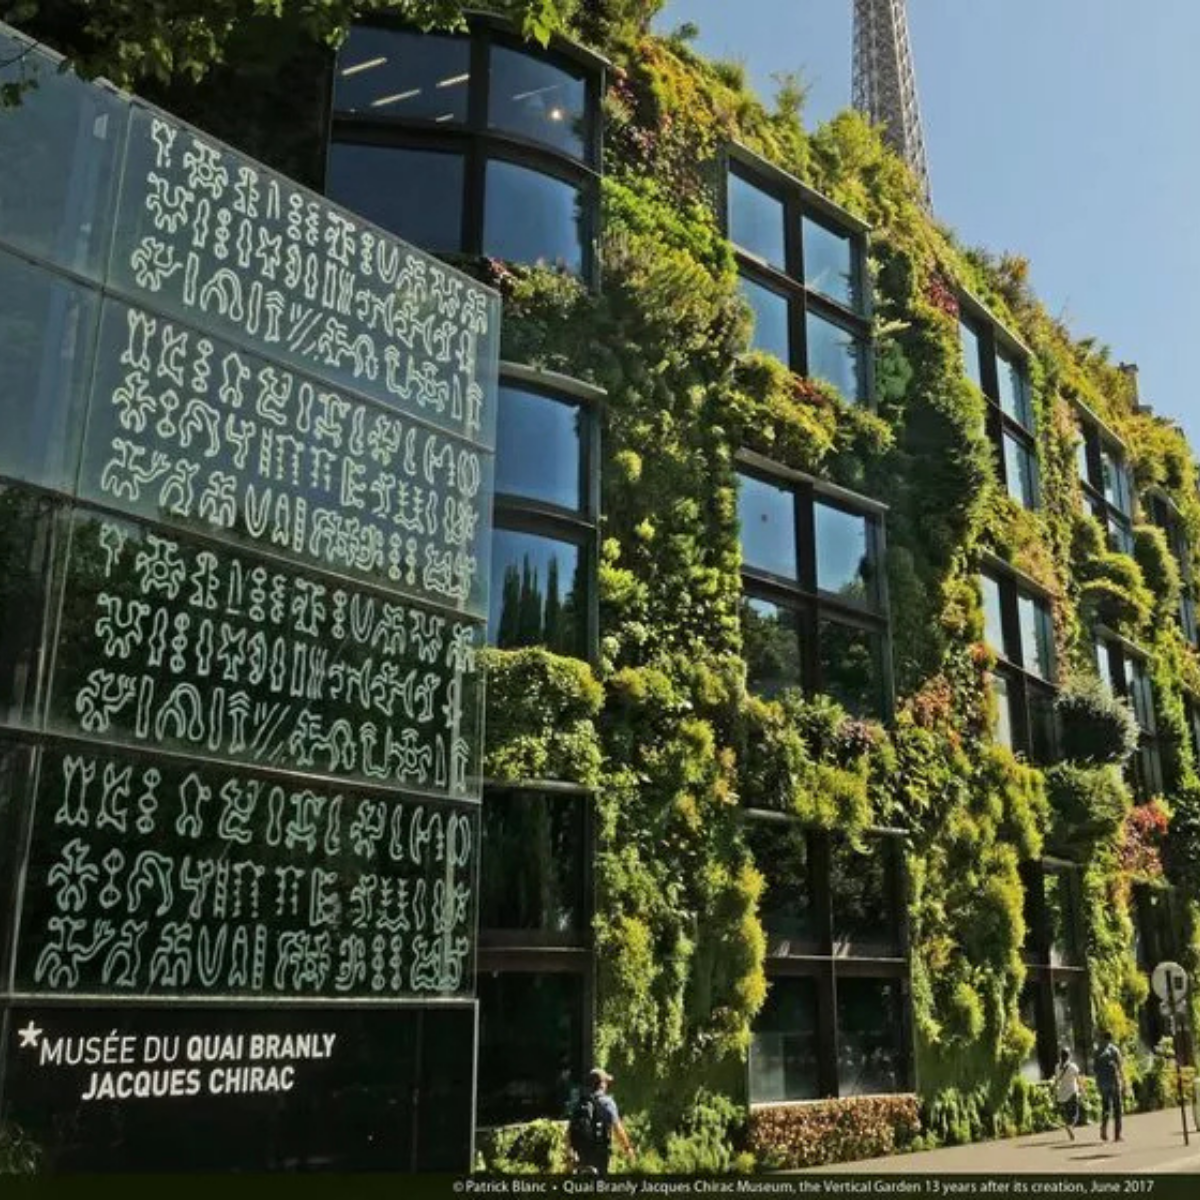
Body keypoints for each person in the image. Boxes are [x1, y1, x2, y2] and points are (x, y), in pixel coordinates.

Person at [567, 1067, 636, 1175]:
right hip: (600, 1155)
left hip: (581, 1154)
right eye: (606, 1082)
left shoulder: (581, 1103)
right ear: (602, 1085)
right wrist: (628, 1149)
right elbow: (618, 1129)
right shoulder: (607, 1103)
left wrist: (569, 1154)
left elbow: (570, 1131)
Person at [1093, 1030, 1125, 1142]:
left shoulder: (1097, 1051)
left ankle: (1104, 1128)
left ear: (1102, 1038)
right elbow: (1120, 1068)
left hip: (1102, 1083)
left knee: (1105, 1107)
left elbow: (1095, 1070)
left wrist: (1098, 1083)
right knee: (1117, 1108)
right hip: (1114, 1082)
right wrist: (1124, 1082)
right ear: (1111, 1038)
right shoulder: (1115, 1050)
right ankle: (1117, 1135)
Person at [1053, 1046, 1081, 1141]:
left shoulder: (1057, 1066)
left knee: (1066, 1112)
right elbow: (1078, 1079)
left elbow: (1056, 1080)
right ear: (1069, 1056)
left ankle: (1068, 1124)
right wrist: (1082, 1089)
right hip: (1072, 1092)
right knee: (1075, 1113)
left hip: (1062, 1093)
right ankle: (1070, 1126)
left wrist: (1054, 1090)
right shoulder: (1073, 1066)